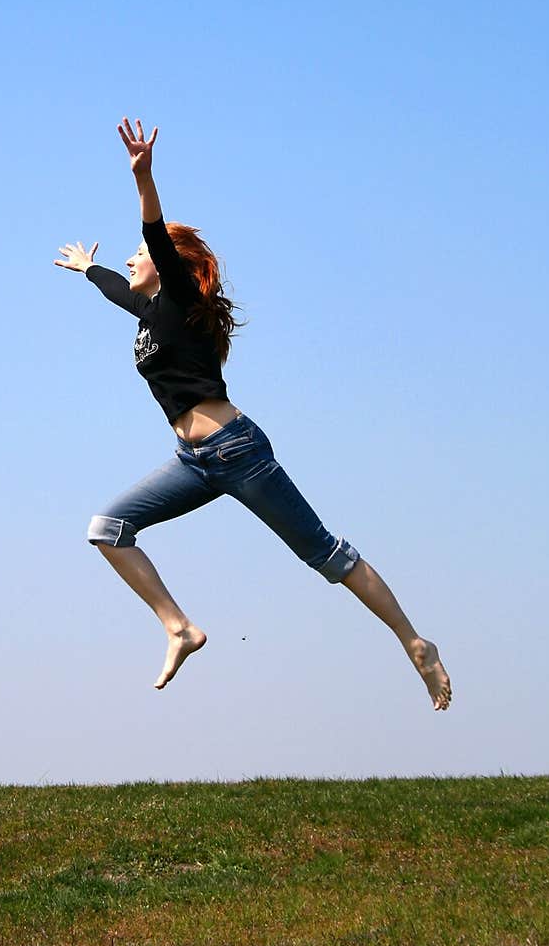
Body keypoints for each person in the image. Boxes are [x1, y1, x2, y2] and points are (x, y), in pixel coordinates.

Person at [54, 119, 451, 710]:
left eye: (141, 255)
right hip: (192, 461)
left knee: (327, 555)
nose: (135, 259)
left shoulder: (183, 300)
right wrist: (90, 269)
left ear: (169, 265)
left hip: (238, 451)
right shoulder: (149, 314)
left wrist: (144, 177)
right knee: (107, 529)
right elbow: (119, 291)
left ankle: (415, 642)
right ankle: (179, 628)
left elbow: (156, 233)